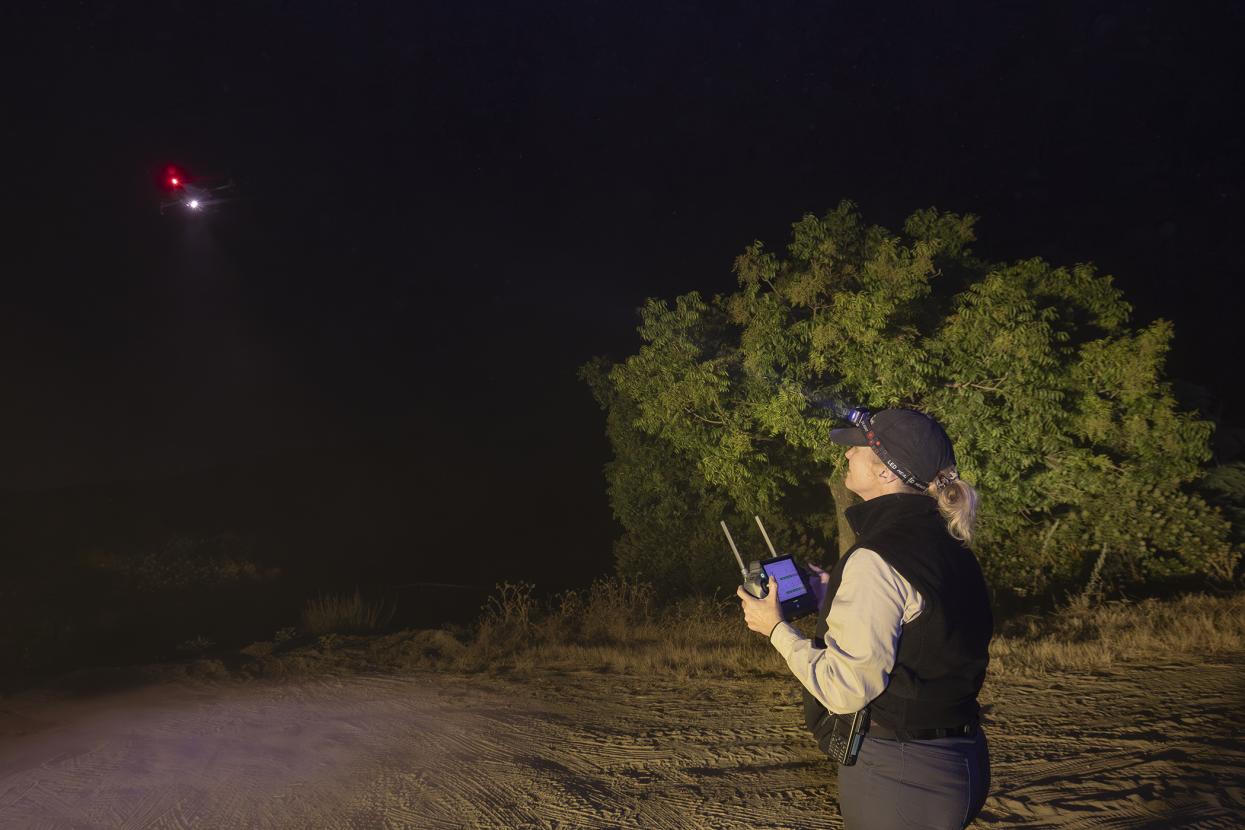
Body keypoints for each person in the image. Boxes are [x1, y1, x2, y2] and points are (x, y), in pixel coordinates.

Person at [738, 408, 992, 830]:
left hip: (903, 774)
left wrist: (776, 629)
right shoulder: (948, 540)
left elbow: (846, 688)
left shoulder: (877, 556)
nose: (846, 457)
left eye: (856, 449)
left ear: (886, 474)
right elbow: (924, 629)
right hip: (960, 758)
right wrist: (833, 594)